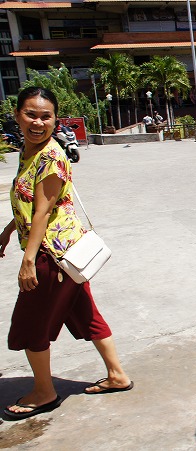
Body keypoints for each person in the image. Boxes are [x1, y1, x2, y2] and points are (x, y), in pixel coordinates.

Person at [0, 87, 133, 421]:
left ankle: (44, 392)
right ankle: (117, 375)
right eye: (31, 114)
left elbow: (42, 213)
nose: (38, 122)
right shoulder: (29, 151)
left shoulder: (50, 155)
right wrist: (7, 231)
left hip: (52, 255)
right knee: (85, 314)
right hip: (68, 253)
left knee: (31, 326)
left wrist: (28, 260)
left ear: (55, 119)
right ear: (17, 115)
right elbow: (31, 204)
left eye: (46, 116)